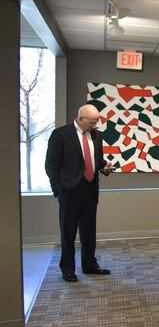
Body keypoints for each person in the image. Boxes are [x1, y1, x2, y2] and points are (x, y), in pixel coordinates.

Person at [45, 105, 114, 282]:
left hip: (90, 190)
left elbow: (96, 161)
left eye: (96, 121)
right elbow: (51, 164)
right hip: (69, 192)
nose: (95, 125)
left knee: (89, 232)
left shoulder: (97, 135)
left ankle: (89, 265)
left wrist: (105, 167)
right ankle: (67, 269)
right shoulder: (60, 135)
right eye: (92, 122)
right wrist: (58, 189)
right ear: (81, 119)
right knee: (68, 233)